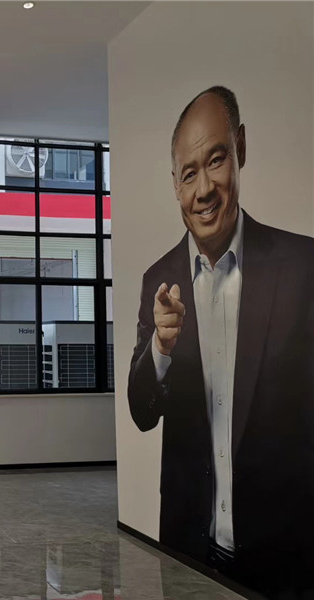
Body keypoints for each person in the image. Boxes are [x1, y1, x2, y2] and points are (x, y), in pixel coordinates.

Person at [127, 85, 314, 598]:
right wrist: (160, 350)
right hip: (187, 554)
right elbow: (141, 412)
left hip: (286, 561)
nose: (204, 189)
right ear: (175, 185)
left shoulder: (302, 268)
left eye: (216, 160)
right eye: (189, 174)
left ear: (241, 149)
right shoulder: (158, 279)